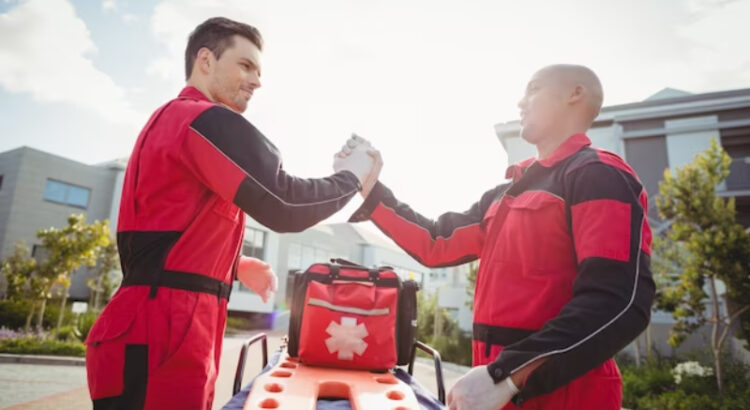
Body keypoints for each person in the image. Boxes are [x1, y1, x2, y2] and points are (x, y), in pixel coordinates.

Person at [85, 17, 380, 410]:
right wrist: (352, 176)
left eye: (259, 71)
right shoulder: (201, 120)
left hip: (164, 327)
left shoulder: (176, 122)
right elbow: (284, 203)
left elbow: (163, 226)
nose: (257, 80)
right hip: (162, 336)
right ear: (205, 60)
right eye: (245, 65)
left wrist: (234, 264)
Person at [342, 64, 655, 409]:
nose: (520, 103)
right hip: (494, 391)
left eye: (533, 89)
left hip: (565, 396)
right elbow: (435, 242)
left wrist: (508, 375)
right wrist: (368, 186)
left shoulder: (599, 175)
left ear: (575, 94)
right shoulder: (502, 195)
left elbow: (616, 303)